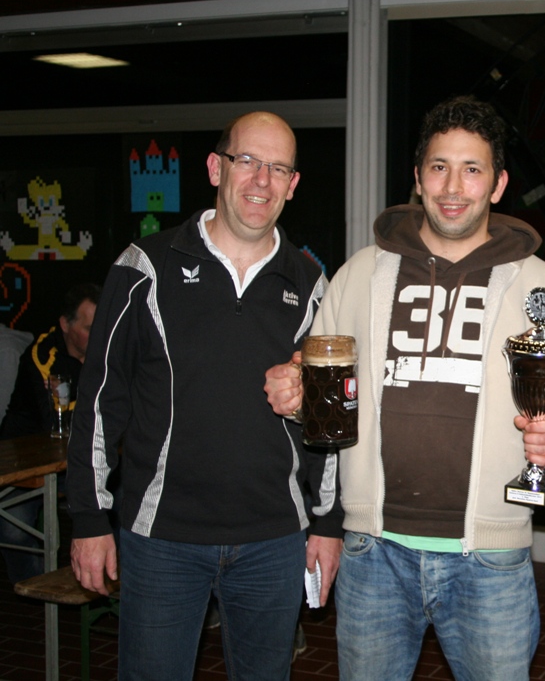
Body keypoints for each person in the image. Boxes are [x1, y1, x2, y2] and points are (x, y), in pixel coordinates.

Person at [264, 95, 545, 681]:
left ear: (498, 184)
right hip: (374, 552)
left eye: (472, 169)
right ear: (417, 178)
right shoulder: (359, 273)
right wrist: (296, 395)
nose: (453, 187)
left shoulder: (540, 286)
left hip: (491, 555)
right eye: (439, 167)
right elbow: (319, 383)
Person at [66, 111, 344, 681]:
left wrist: (327, 523)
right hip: (161, 540)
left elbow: (329, 422)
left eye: (278, 168)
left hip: (275, 540)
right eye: (248, 161)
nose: (261, 180)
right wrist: (90, 519)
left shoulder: (313, 285)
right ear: (217, 168)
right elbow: (100, 402)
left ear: (293, 185)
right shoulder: (145, 268)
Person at [0, 283, 99, 586]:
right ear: (65, 325)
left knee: (128, 503)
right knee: (13, 529)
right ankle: (39, 591)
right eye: (89, 328)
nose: (100, 333)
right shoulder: (43, 354)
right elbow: (56, 423)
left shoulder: (110, 349)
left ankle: (119, 586)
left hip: (80, 458)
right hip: (24, 457)